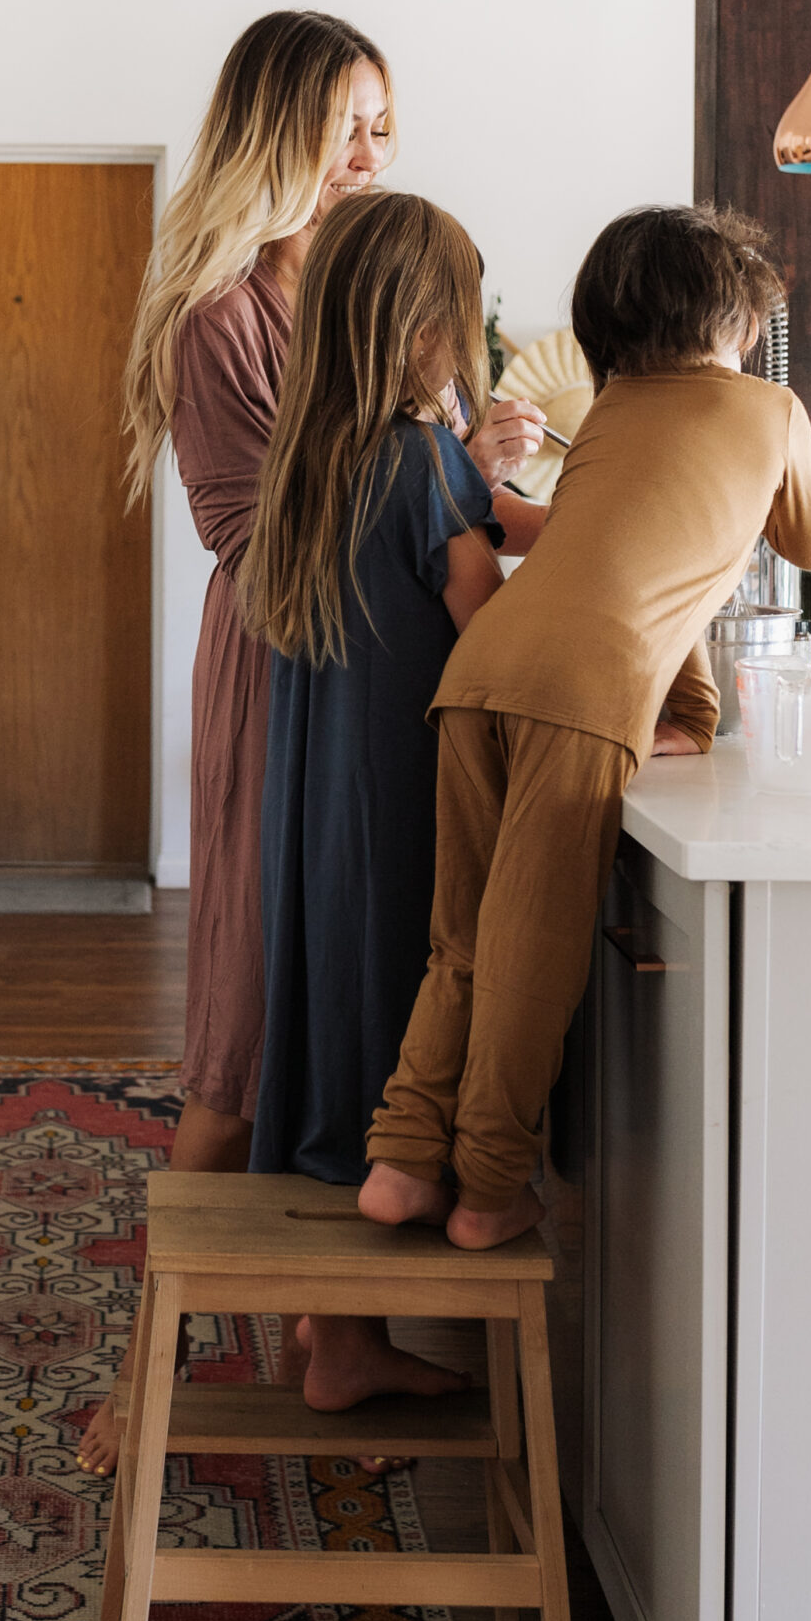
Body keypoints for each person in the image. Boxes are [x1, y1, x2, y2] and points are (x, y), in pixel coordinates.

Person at [75, 9, 544, 1473]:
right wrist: (459, 472)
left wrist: (473, 465)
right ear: (274, 130)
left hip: (370, 664)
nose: (368, 151)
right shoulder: (222, 313)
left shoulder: (374, 288)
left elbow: (419, 504)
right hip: (289, 672)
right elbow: (255, 532)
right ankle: (128, 1388)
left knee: (353, 991)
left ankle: (334, 1342)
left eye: (382, 125)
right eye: (346, 122)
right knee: (247, 1013)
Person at [361, 204, 811, 1250]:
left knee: (464, 941)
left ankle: (401, 1160)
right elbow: (808, 544)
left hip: (480, 667)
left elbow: (642, 564)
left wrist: (689, 714)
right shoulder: (770, 410)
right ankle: (487, 1190)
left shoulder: (614, 409)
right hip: (576, 692)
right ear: (739, 319)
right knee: (534, 950)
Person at [241, 190, 508, 1413]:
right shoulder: (423, 459)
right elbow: (487, 632)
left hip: (317, 795)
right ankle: (343, 1348)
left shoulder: (315, 457)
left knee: (335, 1005)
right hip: (400, 789)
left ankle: (329, 1328)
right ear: (426, 328)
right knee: (392, 1016)